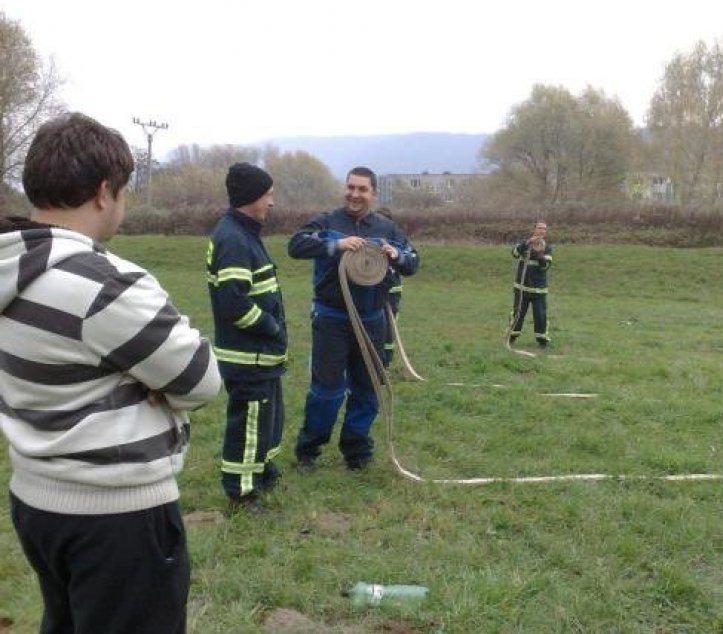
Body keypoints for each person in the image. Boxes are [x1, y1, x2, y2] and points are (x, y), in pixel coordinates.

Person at [0, 112, 221, 633]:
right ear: (105, 192)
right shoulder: (105, 285)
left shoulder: (10, 264)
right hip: (115, 514)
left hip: (35, 499)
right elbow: (201, 379)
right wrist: (145, 382)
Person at [289, 167, 419, 471]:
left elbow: (413, 261)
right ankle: (309, 449)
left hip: (372, 319)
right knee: (327, 389)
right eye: (351, 187)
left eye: (362, 189)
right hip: (332, 318)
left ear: (373, 194)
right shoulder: (326, 222)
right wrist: (335, 245)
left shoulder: (387, 229)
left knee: (368, 386)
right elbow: (296, 245)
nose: (355, 194)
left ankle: (357, 450)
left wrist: (396, 255)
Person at [206, 163, 287, 512]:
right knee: (249, 424)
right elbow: (234, 304)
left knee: (266, 418)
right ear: (252, 197)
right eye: (268, 195)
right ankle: (241, 493)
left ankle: (261, 471)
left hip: (261, 355)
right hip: (248, 356)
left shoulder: (244, 232)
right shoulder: (234, 240)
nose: (272, 202)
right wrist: (271, 327)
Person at [375, 206, 417, 367]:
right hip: (370, 294)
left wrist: (397, 256)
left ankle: (385, 363)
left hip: (391, 294)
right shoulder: (367, 237)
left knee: (388, 331)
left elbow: (410, 261)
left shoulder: (396, 238)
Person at [509, 220, 554, 348]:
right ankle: (511, 337)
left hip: (539, 290)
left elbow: (545, 266)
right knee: (518, 314)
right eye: (539, 228)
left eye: (544, 229)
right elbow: (514, 253)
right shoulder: (524, 244)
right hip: (521, 288)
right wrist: (527, 243)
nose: (542, 231)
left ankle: (543, 341)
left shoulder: (547, 248)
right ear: (534, 230)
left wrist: (540, 256)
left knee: (540, 316)